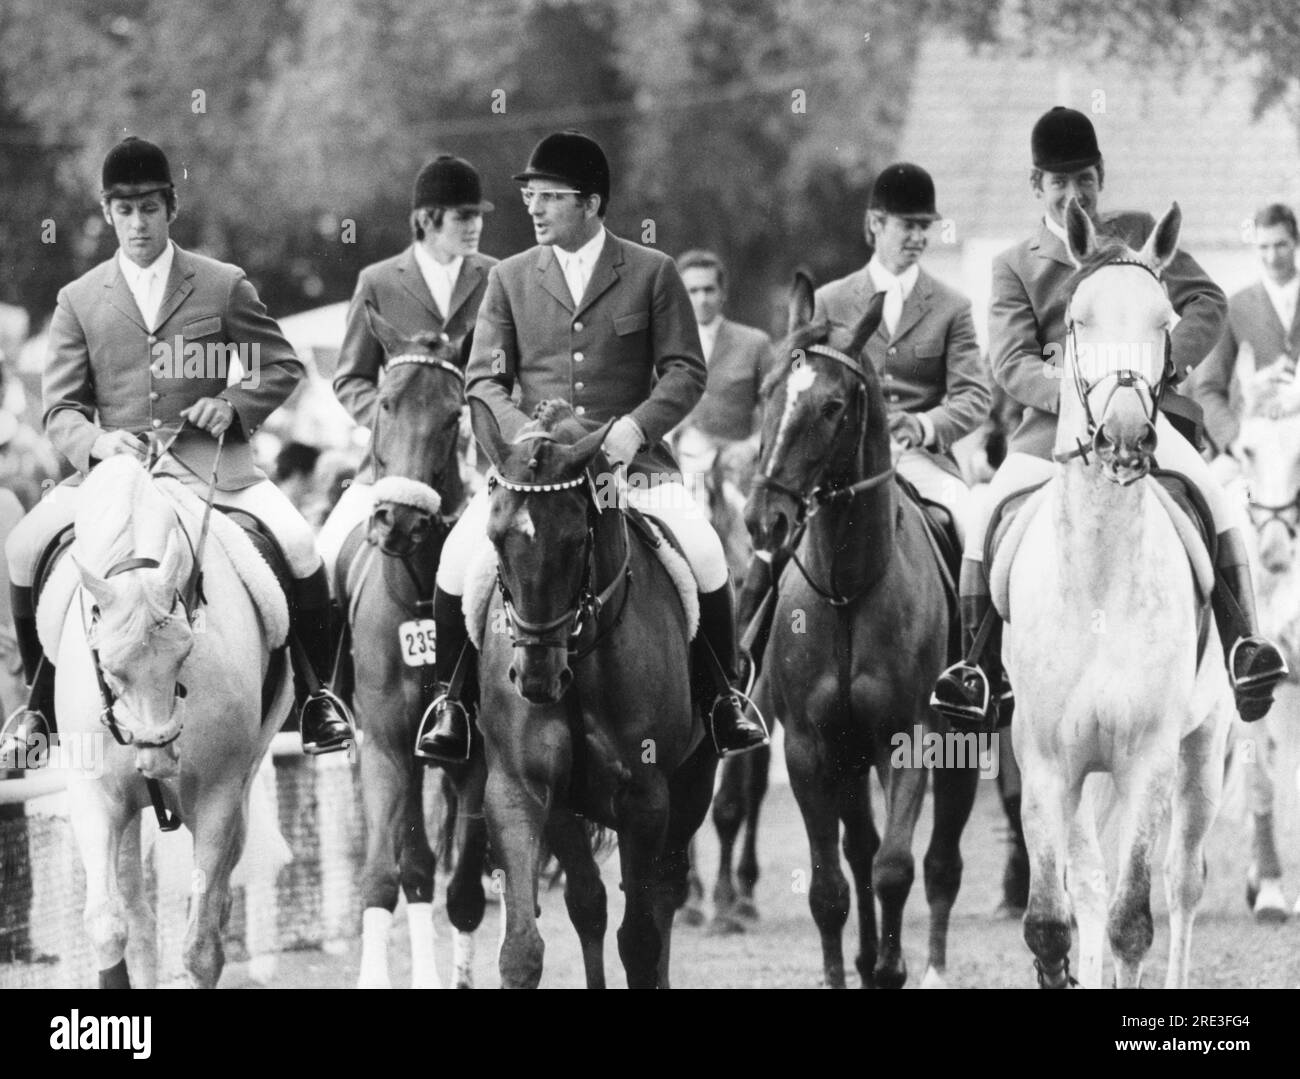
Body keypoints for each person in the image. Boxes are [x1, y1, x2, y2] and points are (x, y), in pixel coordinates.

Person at [415, 130, 769, 763]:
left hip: (626, 471)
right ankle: (453, 705)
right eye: (531, 196)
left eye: (550, 196)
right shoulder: (510, 279)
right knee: (456, 562)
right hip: (536, 475)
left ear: (592, 203)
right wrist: (525, 437)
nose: (534, 208)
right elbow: (484, 379)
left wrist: (634, 430)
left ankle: (723, 700)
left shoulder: (652, 273)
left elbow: (685, 371)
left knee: (707, 553)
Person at [0, 136, 354, 769]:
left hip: (209, 469)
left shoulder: (222, 284)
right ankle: (39, 709)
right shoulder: (78, 299)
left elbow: (280, 364)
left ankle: (317, 697)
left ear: (171, 207)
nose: (138, 223)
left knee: (301, 544)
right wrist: (97, 442)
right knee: (23, 548)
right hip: (116, 476)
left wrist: (235, 405)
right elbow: (60, 410)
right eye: (125, 209)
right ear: (108, 213)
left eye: (149, 208)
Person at [931, 106, 1286, 728]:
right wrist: (1078, 394)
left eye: (1085, 179)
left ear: (1101, 177)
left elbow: (1207, 300)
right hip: (1054, 431)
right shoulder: (1015, 263)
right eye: (1059, 181)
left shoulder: (1141, 232)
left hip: (1146, 421)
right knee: (988, 511)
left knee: (1216, 499)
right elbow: (1012, 360)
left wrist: (1159, 365)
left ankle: (1243, 649)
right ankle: (977, 670)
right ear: (1035, 186)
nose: (1075, 193)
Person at [738, 163, 990, 685]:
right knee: (774, 542)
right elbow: (801, 386)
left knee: (971, 526)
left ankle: (974, 670)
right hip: (836, 464)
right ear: (875, 224)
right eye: (906, 224)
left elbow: (973, 394)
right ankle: (745, 668)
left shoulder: (952, 306)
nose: (918, 237)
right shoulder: (830, 300)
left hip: (920, 460)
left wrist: (924, 426)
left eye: (925, 225)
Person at [317, 155, 497, 575]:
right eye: (463, 216)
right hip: (394, 468)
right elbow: (351, 379)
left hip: (481, 463)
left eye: (478, 216)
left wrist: (482, 416)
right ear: (428, 218)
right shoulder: (377, 282)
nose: (475, 226)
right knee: (323, 561)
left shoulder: (498, 278)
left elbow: (517, 372)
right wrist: (393, 420)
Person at [1193, 202, 1300, 462]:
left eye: (1280, 245)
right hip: (1254, 448)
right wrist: (1235, 439)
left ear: (1295, 242)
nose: (1272, 257)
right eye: (1264, 247)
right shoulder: (1235, 307)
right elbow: (1207, 388)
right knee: (1206, 496)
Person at [670, 249, 773, 485]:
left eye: (709, 290)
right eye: (692, 291)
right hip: (674, 474)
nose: (702, 299)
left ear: (722, 293)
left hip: (733, 472)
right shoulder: (659, 343)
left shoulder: (755, 343)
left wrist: (751, 447)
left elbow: (776, 411)